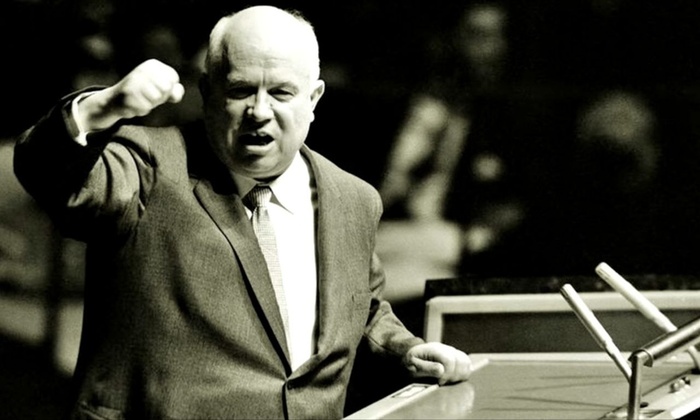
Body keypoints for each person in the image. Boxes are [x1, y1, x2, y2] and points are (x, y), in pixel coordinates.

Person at [13, 5, 471, 419]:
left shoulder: (353, 199)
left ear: (313, 99)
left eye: (282, 93)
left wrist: (406, 350)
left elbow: (361, 309)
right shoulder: (147, 164)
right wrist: (101, 108)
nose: (259, 111)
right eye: (240, 90)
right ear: (208, 92)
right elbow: (48, 176)